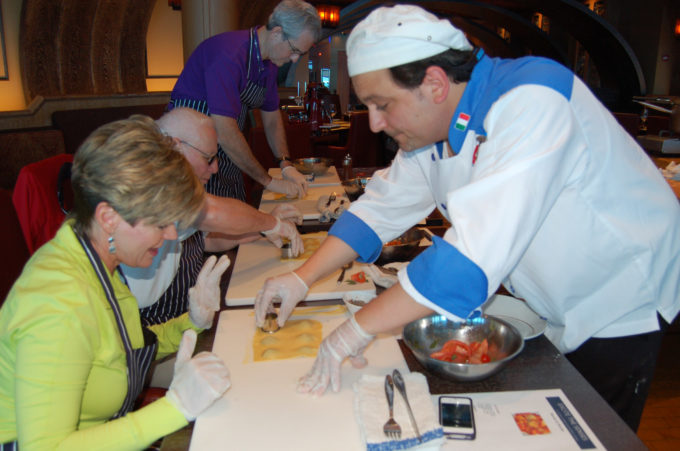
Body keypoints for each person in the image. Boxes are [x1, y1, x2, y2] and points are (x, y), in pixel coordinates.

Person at [254, 4, 680, 431]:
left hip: (620, 297)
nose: (377, 123)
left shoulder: (533, 99)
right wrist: (302, 278)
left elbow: (468, 259)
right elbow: (378, 209)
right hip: (552, 294)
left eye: (382, 104)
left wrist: (353, 332)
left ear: (435, 83)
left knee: (590, 431)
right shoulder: (430, 131)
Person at [0, 116, 231, 449]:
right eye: (161, 222)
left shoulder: (96, 258)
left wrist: (190, 322)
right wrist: (175, 408)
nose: (170, 235)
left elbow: (120, 352)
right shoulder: (59, 303)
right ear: (109, 218)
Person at [121, 108, 304, 326]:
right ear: (177, 146)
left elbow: (208, 239)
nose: (215, 168)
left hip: (182, 321)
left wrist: (262, 227)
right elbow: (214, 213)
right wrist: (272, 223)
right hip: (148, 328)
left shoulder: (167, 182)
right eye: (208, 158)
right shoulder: (147, 180)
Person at [169, 0, 322, 201]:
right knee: (203, 223)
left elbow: (272, 117)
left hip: (228, 155)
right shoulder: (229, 55)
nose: (294, 59)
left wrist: (286, 164)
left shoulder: (270, 63)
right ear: (276, 33)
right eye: (294, 50)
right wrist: (269, 182)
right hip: (189, 158)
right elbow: (225, 131)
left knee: (235, 218)